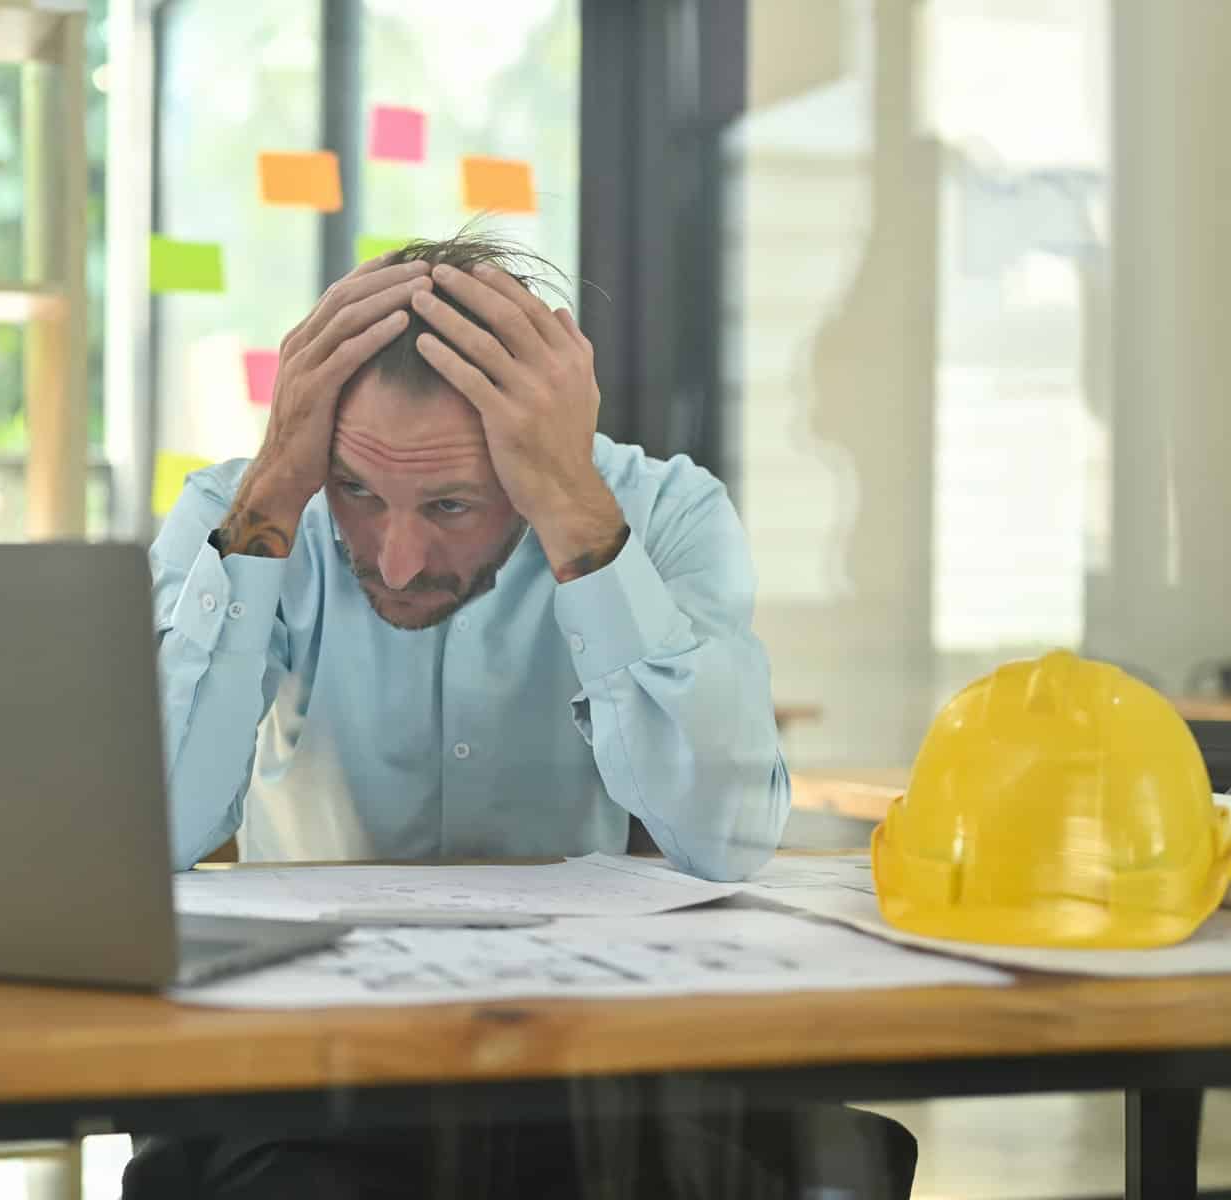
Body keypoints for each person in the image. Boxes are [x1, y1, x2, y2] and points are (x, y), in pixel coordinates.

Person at [126, 233, 915, 1198]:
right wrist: (271, 510)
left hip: (590, 1069)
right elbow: (147, 834)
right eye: (361, 493)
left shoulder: (657, 514)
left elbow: (727, 833)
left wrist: (575, 510)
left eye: (454, 504)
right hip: (313, 1074)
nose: (400, 556)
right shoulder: (241, 513)